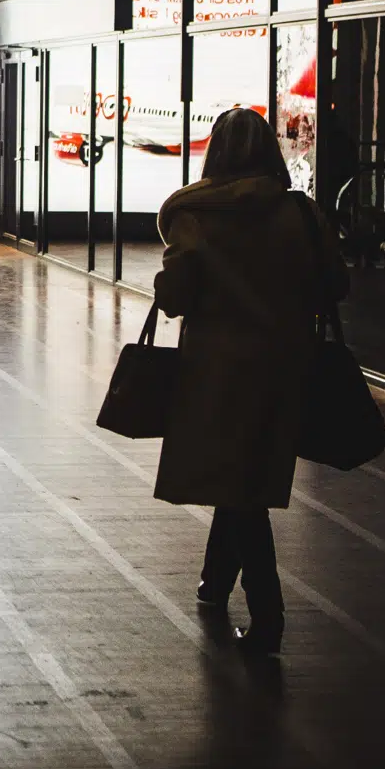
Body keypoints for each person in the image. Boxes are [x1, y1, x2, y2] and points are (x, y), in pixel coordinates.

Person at [151, 108, 348, 655]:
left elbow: (177, 299)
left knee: (237, 487)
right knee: (246, 475)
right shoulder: (302, 215)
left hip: (216, 368)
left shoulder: (195, 215)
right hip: (286, 366)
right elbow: (336, 284)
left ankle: (268, 613)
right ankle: (214, 585)